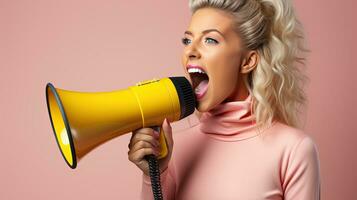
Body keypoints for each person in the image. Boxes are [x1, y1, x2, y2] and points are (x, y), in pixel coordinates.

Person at [128, 0, 321, 199]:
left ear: (247, 61)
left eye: (210, 40)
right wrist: (153, 174)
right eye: (187, 40)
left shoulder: (293, 149)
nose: (190, 51)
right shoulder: (174, 149)